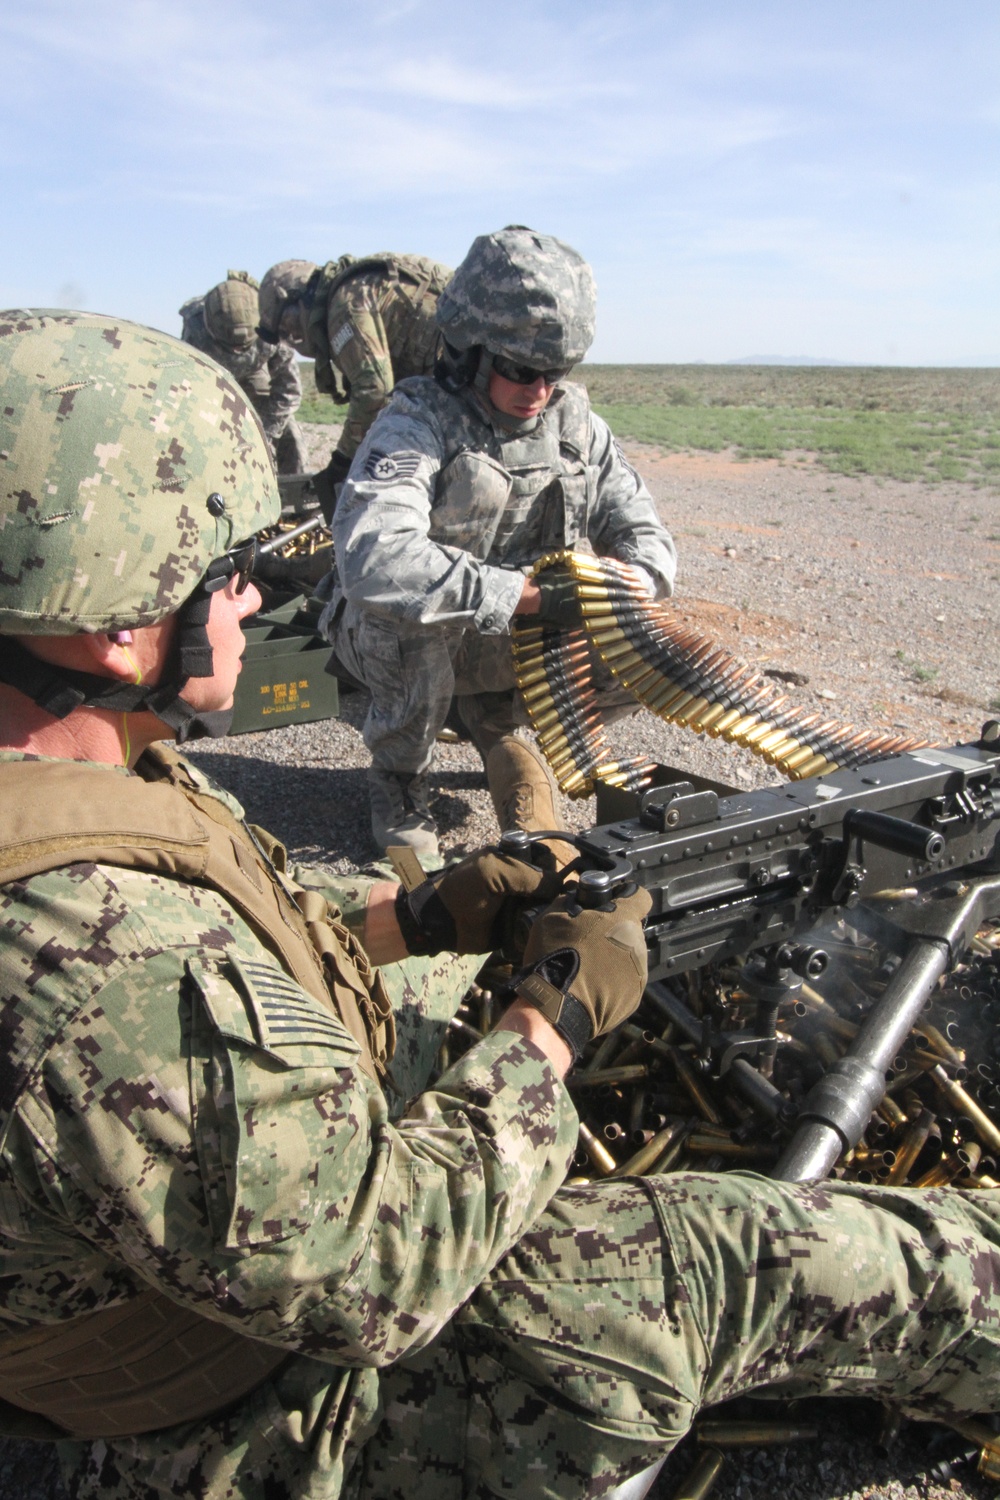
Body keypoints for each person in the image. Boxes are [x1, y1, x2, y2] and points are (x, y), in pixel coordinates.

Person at [2, 310, 1000, 1500]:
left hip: (145, 1268)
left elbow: (228, 902)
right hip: (249, 1404)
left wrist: (417, 918)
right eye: (229, 576)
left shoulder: (66, 778)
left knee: (434, 925)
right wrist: (549, 1030)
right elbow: (381, 1270)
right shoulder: (99, 974)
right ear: (117, 631)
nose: (248, 604)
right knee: (727, 1256)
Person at [321, 226, 678, 859]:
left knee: (643, 635)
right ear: (470, 352)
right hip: (423, 641)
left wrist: (633, 582)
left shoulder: (576, 425)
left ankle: (504, 721)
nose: (539, 390)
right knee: (412, 620)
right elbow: (376, 559)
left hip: (517, 641)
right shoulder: (417, 419)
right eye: (520, 369)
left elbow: (641, 529)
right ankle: (401, 778)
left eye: (555, 371)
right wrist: (529, 597)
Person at [257, 252, 452, 514]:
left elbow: (373, 391)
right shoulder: (354, 290)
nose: (294, 340)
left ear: (298, 301)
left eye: (290, 328)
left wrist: (343, 461)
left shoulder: (343, 305)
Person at [180, 269, 309, 474]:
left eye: (242, 346)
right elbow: (188, 390)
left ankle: (292, 498)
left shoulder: (272, 322)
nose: (236, 351)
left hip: (253, 372)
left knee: (290, 435)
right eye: (231, 346)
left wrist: (265, 436)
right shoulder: (195, 330)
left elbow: (288, 390)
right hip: (211, 379)